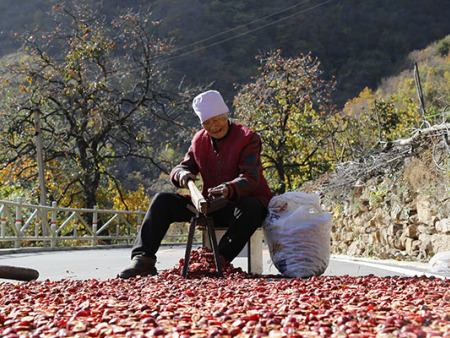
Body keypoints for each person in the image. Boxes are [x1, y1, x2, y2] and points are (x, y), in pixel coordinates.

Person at [119, 90, 273, 278]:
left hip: (239, 205)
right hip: (209, 205)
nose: (213, 127)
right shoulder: (199, 140)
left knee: (252, 207)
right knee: (162, 201)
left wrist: (228, 188)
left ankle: (217, 261)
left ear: (226, 115)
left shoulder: (247, 138)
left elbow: (251, 177)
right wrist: (181, 174)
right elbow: (182, 167)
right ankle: (143, 260)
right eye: (207, 123)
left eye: (217, 120)